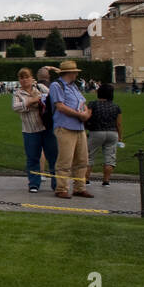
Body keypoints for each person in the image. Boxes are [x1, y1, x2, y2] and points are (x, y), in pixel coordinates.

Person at [49, 60, 92, 199]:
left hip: (79, 127)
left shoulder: (74, 87)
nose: (76, 75)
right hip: (65, 126)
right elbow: (60, 106)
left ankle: (79, 187)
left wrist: (85, 113)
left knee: (82, 159)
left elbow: (82, 102)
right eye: (75, 72)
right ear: (70, 73)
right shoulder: (57, 85)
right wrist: (80, 114)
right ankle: (61, 188)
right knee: (65, 159)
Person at [12, 68, 54, 193]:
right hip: (30, 129)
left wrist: (29, 104)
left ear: (32, 78)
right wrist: (33, 101)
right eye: (21, 78)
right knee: (32, 158)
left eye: (27, 77)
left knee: (53, 156)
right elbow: (16, 107)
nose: (24, 80)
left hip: (46, 127)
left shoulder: (40, 88)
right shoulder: (17, 93)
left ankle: (57, 184)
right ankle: (34, 183)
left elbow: (53, 98)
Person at [85, 82, 122, 188]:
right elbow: (118, 123)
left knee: (89, 156)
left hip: (96, 132)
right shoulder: (116, 106)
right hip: (112, 132)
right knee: (110, 158)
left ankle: (86, 179)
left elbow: (87, 116)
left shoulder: (93, 104)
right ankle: (106, 181)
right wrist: (120, 136)